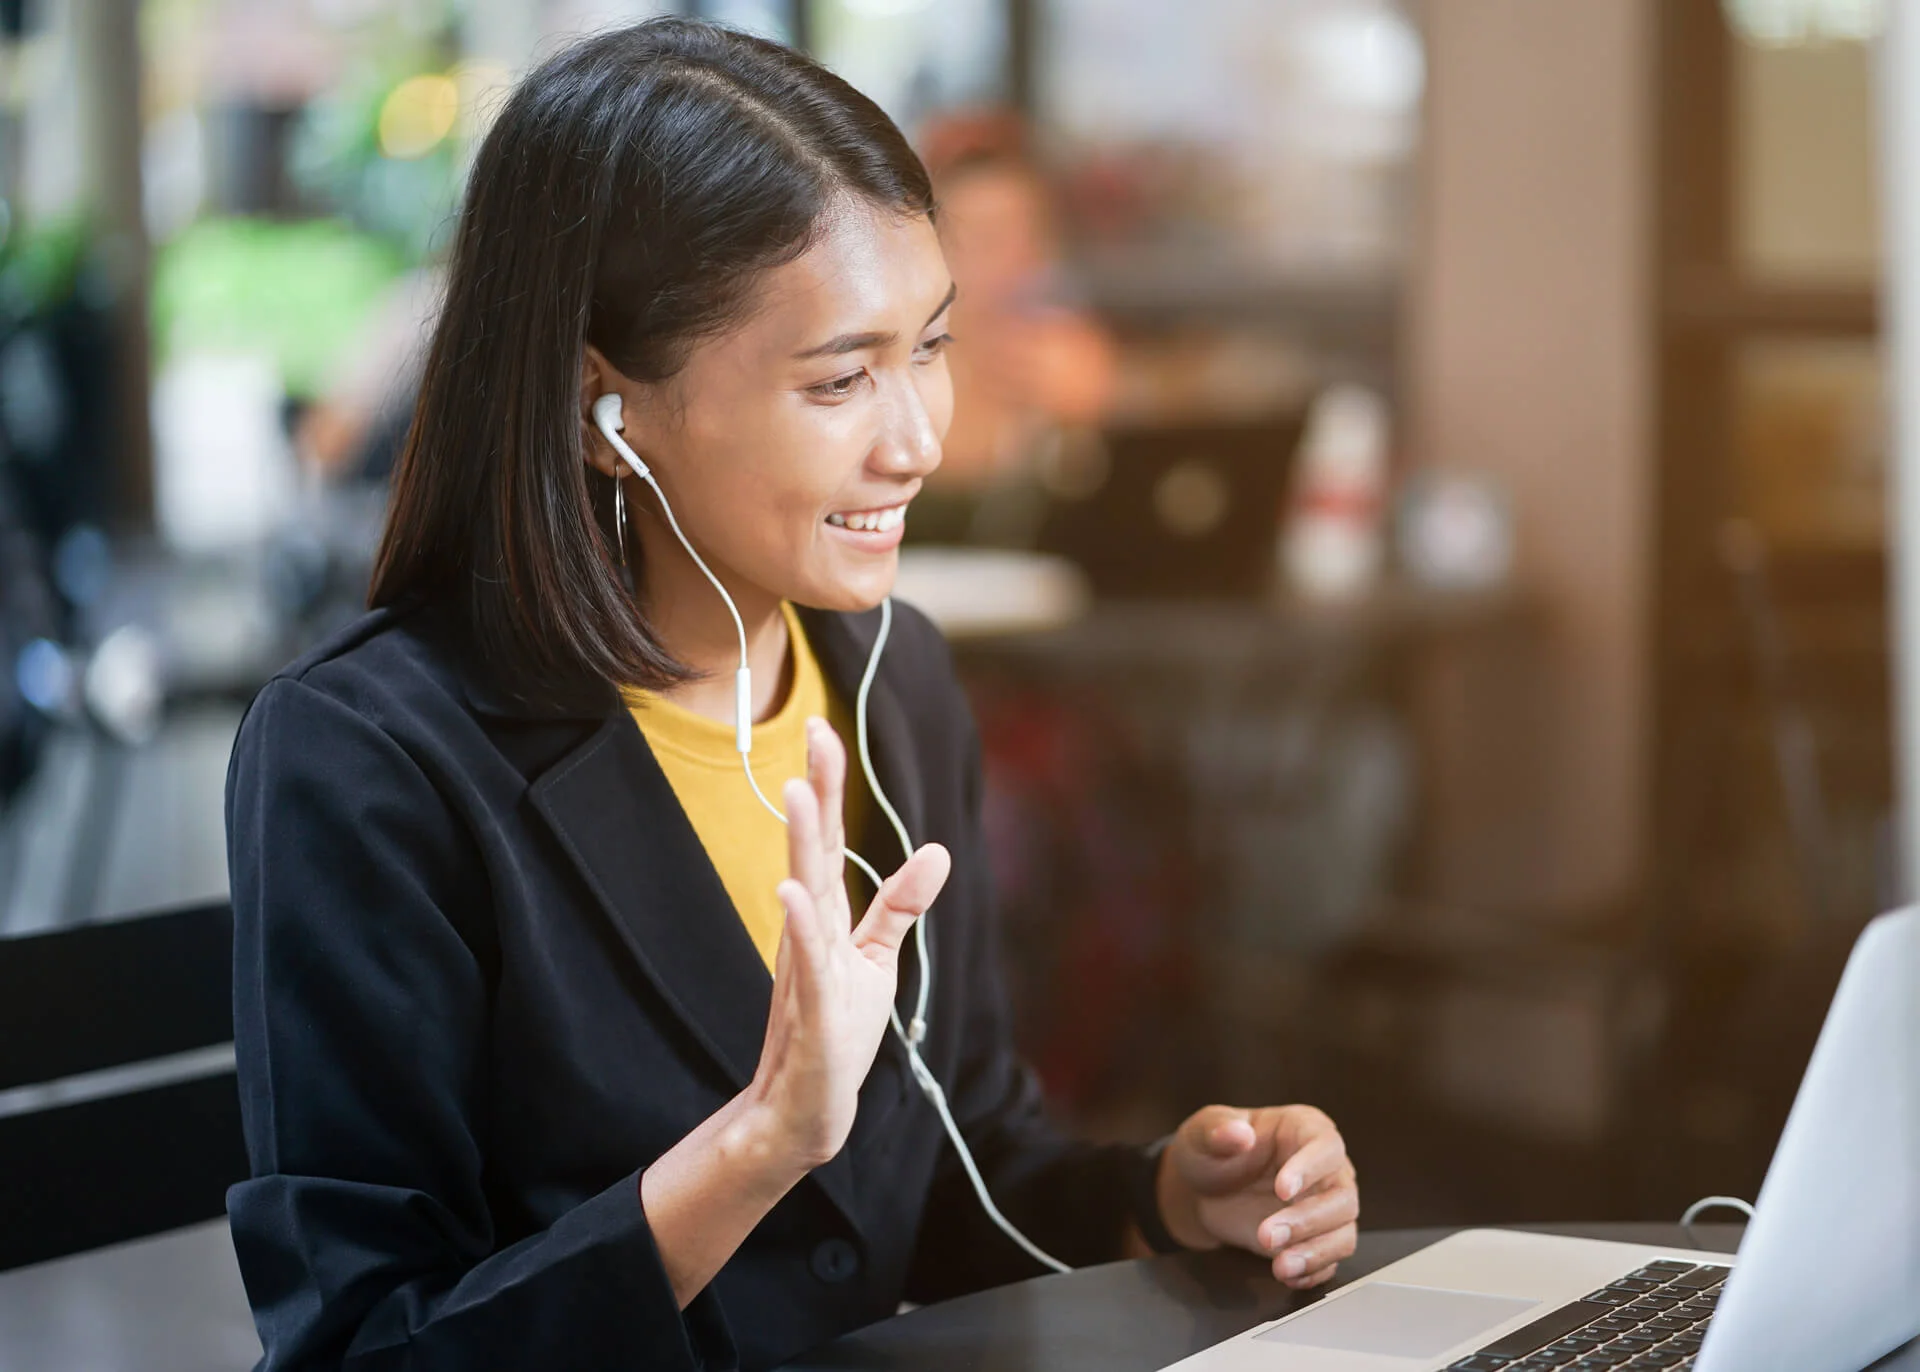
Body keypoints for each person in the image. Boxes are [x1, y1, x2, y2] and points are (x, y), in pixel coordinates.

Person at [224, 19, 1359, 1371]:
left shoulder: (892, 677)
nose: (919, 439)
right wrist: (758, 1147)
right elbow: (371, 1349)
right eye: (841, 379)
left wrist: (1161, 1196)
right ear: (607, 407)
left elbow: (958, 1177)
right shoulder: (372, 760)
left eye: (929, 347)